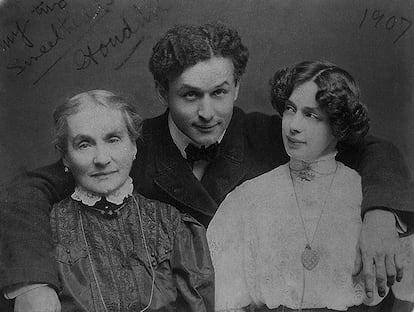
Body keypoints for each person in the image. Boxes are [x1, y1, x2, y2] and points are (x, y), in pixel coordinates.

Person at [0, 23, 412, 311]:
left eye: (219, 92)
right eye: (189, 95)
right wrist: (34, 284)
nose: (207, 113)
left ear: (236, 86)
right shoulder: (127, 148)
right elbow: (29, 189)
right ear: (162, 92)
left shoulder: (274, 134)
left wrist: (379, 216)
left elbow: (375, 149)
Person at [207, 60, 414, 312]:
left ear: (338, 126)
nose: (293, 126)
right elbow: (224, 300)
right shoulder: (249, 198)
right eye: (290, 109)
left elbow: (406, 300)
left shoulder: (367, 198)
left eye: (311, 115)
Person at [50, 90, 214, 311]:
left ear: (134, 147)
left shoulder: (173, 226)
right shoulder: (47, 231)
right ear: (66, 157)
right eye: (84, 144)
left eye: (113, 139)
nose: (102, 159)